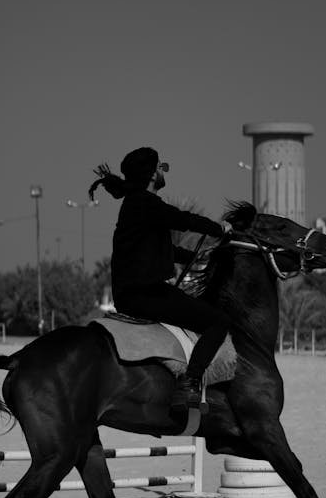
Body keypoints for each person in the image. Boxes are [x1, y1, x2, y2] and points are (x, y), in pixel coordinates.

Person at [89, 147, 231, 413]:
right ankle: (189, 383)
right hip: (146, 295)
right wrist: (218, 228)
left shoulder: (135, 204)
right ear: (152, 174)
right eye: (161, 167)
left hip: (133, 294)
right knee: (218, 322)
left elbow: (156, 250)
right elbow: (183, 219)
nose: (164, 171)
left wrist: (196, 257)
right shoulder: (146, 203)